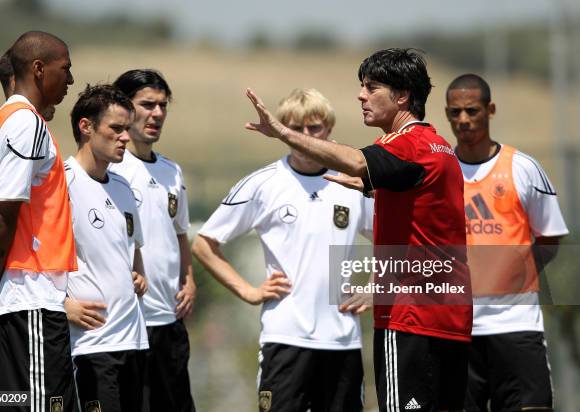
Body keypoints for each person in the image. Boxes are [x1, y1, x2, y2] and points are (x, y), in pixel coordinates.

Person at [244, 48, 472, 411]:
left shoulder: (407, 145)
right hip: (449, 319)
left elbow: (355, 159)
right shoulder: (439, 146)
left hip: (410, 319)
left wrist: (283, 132)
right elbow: (422, 221)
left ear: (402, 96)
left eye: (372, 87)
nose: (361, 95)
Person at [193, 88, 374, 412]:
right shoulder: (265, 184)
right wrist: (247, 291)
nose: (305, 136)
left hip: (343, 340)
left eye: (314, 128)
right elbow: (204, 244)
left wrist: (375, 287)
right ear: (283, 132)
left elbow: (398, 240)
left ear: (329, 129)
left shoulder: (353, 185)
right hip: (285, 339)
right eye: (295, 128)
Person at [445, 73, 569, 412]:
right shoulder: (441, 172)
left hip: (516, 325)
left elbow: (550, 235)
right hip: (457, 328)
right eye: (455, 112)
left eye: (472, 110)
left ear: (490, 109)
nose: (464, 120)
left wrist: (518, 269)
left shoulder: (524, 168)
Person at [0, 31, 77, 411]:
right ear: (38, 69)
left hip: (1, 309)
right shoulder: (27, 125)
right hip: (29, 304)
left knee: (2, 404)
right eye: (64, 69)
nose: (69, 80)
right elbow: (1, 216)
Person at [110, 69, 196, 412]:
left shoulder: (172, 171)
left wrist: (189, 280)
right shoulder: (111, 168)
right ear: (122, 107)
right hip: (128, 322)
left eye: (163, 106)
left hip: (169, 321)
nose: (157, 114)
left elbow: (180, 232)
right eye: (147, 104)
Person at [64, 84, 149, 412]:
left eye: (127, 129)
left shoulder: (123, 186)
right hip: (91, 346)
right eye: (116, 128)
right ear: (86, 127)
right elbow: (32, 256)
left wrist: (138, 273)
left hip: (135, 341)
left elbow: (133, 246)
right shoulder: (61, 183)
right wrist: (62, 304)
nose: (125, 137)